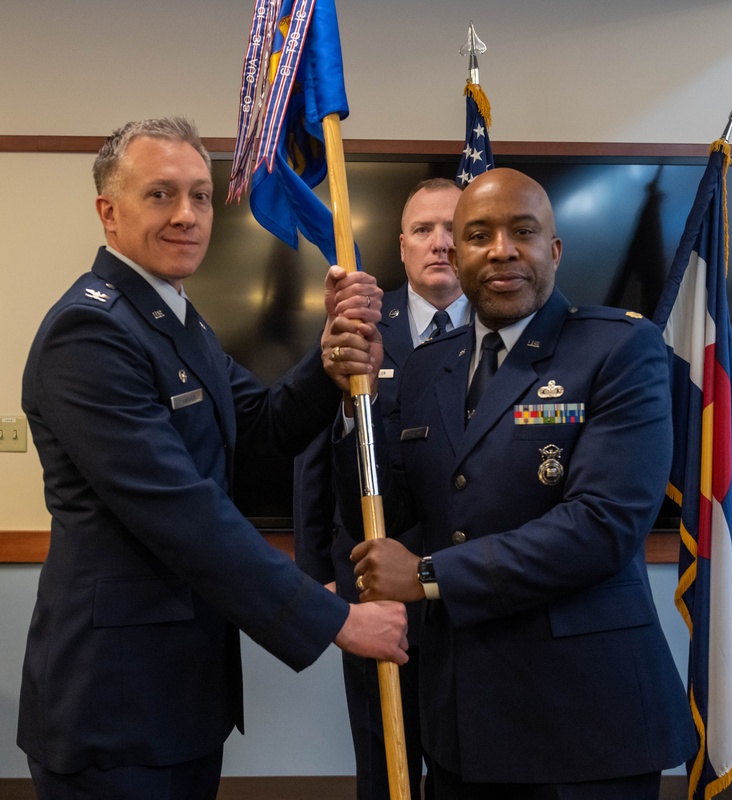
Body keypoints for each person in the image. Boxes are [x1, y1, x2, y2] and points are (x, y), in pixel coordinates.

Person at [16, 116, 407, 800]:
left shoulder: (175, 318)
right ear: (109, 212)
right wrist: (336, 619)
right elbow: (180, 509)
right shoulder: (91, 332)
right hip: (115, 699)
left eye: (200, 195)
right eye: (161, 195)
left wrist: (329, 356)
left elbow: (260, 429)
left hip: (179, 690)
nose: (188, 215)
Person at [337, 168, 696, 799]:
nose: (501, 249)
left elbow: (602, 527)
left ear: (553, 250)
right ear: (457, 253)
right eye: (478, 234)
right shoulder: (424, 367)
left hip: (581, 716)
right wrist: (351, 406)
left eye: (522, 231)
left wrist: (425, 574)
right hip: (461, 719)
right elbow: (389, 512)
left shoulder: (619, 349)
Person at [293, 177, 467, 800]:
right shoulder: (361, 326)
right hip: (370, 591)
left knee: (470, 762)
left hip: (464, 590)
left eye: (455, 228)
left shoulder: (506, 335)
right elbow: (313, 460)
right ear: (401, 246)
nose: (440, 244)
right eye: (424, 230)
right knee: (383, 764)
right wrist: (321, 575)